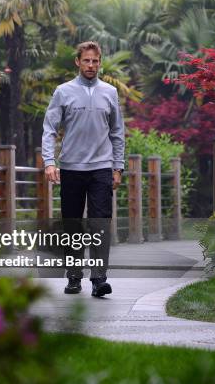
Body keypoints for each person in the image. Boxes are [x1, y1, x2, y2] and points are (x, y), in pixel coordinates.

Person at [41, 41, 125, 297]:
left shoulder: (110, 92)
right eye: (86, 60)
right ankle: (74, 276)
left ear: (100, 62)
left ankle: (99, 279)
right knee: (73, 225)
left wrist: (118, 166)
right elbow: (49, 129)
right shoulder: (63, 92)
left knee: (100, 224)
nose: (91, 65)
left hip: (101, 167)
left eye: (95, 61)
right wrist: (49, 162)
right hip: (71, 168)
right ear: (78, 61)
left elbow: (117, 132)